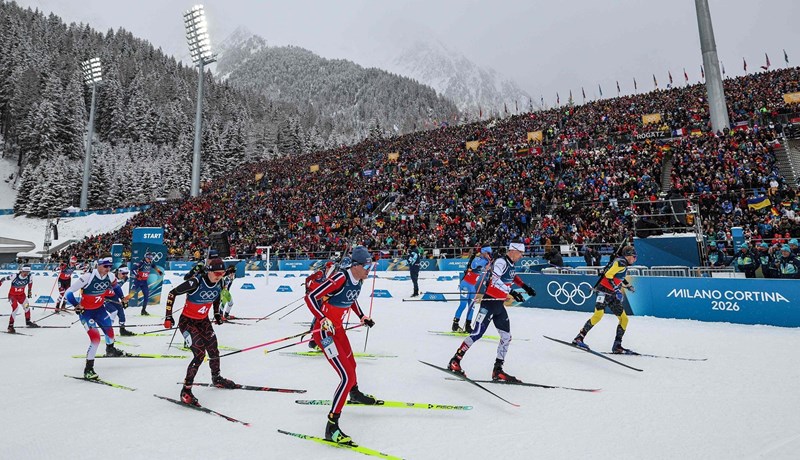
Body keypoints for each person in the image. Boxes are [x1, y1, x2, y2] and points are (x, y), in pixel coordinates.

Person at [304, 246, 376, 445]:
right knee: (346, 376)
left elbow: (350, 299)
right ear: (355, 265)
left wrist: (362, 316)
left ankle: (354, 393)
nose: (369, 269)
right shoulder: (340, 278)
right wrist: (322, 317)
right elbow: (310, 297)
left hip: (337, 329)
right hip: (324, 331)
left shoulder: (359, 280)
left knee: (352, 365)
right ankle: (332, 426)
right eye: (367, 265)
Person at [447, 242, 536, 382]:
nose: (521, 256)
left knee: (506, 337)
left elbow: (513, 277)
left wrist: (525, 287)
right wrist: (511, 291)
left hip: (499, 306)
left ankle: (497, 370)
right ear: (513, 251)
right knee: (476, 333)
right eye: (520, 253)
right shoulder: (501, 262)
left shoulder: (511, 264)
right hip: (488, 304)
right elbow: (495, 280)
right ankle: (455, 361)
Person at [163, 258, 237, 406]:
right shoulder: (195, 282)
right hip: (187, 322)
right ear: (209, 271)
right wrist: (168, 316)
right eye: (217, 273)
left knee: (214, 349)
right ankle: (186, 390)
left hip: (203, 322)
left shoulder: (220, 282)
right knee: (199, 355)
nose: (220, 276)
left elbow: (216, 297)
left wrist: (216, 314)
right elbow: (172, 293)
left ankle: (216, 378)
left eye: (222, 273)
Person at [65, 256, 126, 379]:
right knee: (96, 339)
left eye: (110, 266)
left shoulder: (110, 276)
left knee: (110, 332)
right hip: (86, 313)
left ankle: (110, 350)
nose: (108, 269)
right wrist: (76, 305)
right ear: (98, 265)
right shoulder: (88, 277)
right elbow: (68, 292)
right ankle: (88, 369)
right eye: (105, 266)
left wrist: (122, 298)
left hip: (100, 310)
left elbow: (116, 288)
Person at [572, 245, 637, 354]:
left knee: (624, 319)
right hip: (603, 291)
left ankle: (617, 345)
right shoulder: (621, 262)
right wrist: (617, 289)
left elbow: (618, 276)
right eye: (633, 257)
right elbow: (608, 274)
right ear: (627, 255)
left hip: (611, 294)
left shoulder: (623, 263)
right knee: (598, 315)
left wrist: (627, 285)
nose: (634, 259)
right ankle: (579, 338)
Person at [453, 246, 492, 333]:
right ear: (484, 252)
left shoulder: (487, 261)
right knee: (463, 305)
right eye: (488, 253)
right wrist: (486, 262)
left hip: (472, 286)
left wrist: (490, 263)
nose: (489, 255)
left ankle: (468, 326)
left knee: (472, 306)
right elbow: (474, 265)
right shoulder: (477, 258)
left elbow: (490, 268)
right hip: (465, 284)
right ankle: (455, 325)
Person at [304, 258, 339, 349]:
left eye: (330, 268)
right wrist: (307, 290)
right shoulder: (320, 274)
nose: (328, 270)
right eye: (327, 268)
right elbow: (307, 279)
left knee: (323, 318)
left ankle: (317, 340)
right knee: (320, 317)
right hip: (316, 298)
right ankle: (315, 341)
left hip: (324, 299)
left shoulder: (331, 275)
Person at [1, 265, 37, 333]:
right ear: (21, 271)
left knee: (27, 307)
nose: (26, 274)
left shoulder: (29, 277)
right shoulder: (14, 276)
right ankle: (10, 326)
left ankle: (28, 322)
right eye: (25, 272)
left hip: (21, 296)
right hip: (12, 296)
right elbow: (3, 279)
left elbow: (30, 283)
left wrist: (29, 291)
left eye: (28, 272)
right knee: (15, 308)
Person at [104, 266, 134, 336]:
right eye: (123, 273)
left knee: (121, 314)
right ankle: (108, 331)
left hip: (114, 296)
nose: (125, 275)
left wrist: (123, 299)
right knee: (114, 312)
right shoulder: (110, 277)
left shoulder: (125, 278)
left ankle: (122, 330)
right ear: (119, 272)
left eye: (127, 273)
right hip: (105, 297)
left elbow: (118, 289)